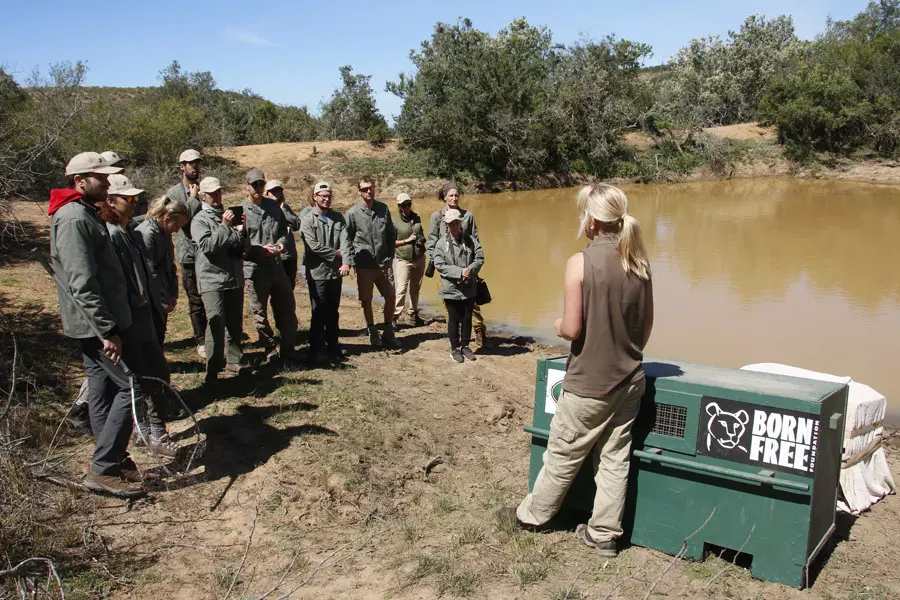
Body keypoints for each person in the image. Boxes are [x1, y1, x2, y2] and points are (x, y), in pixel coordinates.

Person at [509, 183, 654, 557]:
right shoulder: (637, 260)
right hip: (630, 380)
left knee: (562, 452)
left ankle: (532, 516)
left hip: (590, 382)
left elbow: (572, 329)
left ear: (591, 220)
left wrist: (557, 325)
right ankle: (604, 533)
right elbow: (646, 328)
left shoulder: (581, 262)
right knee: (614, 458)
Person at [48, 152, 144, 498]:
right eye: (100, 178)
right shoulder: (74, 219)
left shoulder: (84, 214)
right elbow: (82, 283)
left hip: (99, 323)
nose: (107, 183)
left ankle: (113, 459)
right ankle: (104, 468)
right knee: (131, 387)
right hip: (97, 325)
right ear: (79, 181)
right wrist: (107, 330)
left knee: (101, 391)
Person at [104, 175, 178, 457]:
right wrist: (139, 300)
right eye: (129, 199)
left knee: (154, 374)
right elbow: (114, 282)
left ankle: (146, 431)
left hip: (144, 316)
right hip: (130, 319)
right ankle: (150, 433)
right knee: (148, 377)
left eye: (137, 198)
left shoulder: (130, 231)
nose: (136, 203)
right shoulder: (112, 235)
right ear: (112, 201)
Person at [191, 177, 249, 386]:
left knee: (234, 324)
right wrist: (225, 226)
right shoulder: (199, 220)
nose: (216, 197)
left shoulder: (229, 216)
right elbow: (207, 246)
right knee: (215, 324)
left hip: (233, 277)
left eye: (219, 192)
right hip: (212, 279)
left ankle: (234, 361)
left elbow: (240, 247)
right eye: (212, 193)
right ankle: (212, 371)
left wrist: (242, 232)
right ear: (203, 196)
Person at [242, 168, 301, 361]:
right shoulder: (241, 211)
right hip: (255, 269)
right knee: (259, 312)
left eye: (261, 184)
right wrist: (260, 248)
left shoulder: (274, 207)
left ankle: (289, 348)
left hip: (277, 266)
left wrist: (280, 245)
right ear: (247, 186)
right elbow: (239, 243)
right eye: (254, 184)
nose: (258, 188)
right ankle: (269, 348)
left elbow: (284, 231)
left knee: (287, 307)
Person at [426, 181, 488, 351]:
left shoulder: (467, 216)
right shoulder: (436, 217)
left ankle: (479, 332)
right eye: (451, 195)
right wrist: (440, 265)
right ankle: (455, 341)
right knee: (450, 305)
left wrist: (473, 269)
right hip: (447, 269)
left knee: (473, 304)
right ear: (444, 197)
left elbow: (475, 240)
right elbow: (431, 242)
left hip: (468, 268)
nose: (454, 198)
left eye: (456, 195)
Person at [344, 176, 400, 349]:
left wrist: (391, 255)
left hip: (384, 263)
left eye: (371, 187)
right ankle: (372, 330)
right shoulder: (352, 213)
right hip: (364, 265)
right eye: (365, 189)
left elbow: (391, 233)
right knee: (366, 300)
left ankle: (388, 329)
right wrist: (350, 260)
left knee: (391, 297)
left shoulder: (383, 209)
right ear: (359, 192)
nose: (369, 191)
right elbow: (346, 238)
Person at [300, 181, 351, 362]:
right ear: (315, 197)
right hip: (317, 273)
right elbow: (313, 246)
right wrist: (335, 254)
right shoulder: (307, 219)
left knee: (333, 310)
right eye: (323, 196)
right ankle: (315, 348)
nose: (326, 199)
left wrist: (346, 262)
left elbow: (346, 241)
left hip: (335, 272)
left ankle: (333, 346)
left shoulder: (339, 218)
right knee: (319, 310)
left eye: (329, 196)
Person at [167, 149, 206, 359]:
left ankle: (211, 336)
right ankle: (201, 340)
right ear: (182, 166)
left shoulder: (203, 188)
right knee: (195, 299)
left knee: (209, 296)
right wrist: (193, 199)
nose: (195, 167)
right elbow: (180, 221)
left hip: (207, 252)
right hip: (189, 254)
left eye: (197, 163)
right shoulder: (174, 194)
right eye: (190, 164)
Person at [432, 209, 484, 363]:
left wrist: (471, 270)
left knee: (467, 319)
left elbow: (480, 257)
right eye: (451, 223)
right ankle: (454, 349)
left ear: (461, 223)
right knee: (453, 320)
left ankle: (466, 347)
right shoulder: (441, 244)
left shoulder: (470, 240)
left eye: (457, 222)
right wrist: (460, 272)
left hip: (469, 288)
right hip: (451, 289)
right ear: (446, 225)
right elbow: (439, 265)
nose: (455, 225)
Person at [135, 196, 189, 342]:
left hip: (162, 293)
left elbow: (170, 265)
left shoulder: (165, 233)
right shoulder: (147, 234)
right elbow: (150, 272)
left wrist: (173, 293)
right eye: (176, 226)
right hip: (150, 297)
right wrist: (164, 300)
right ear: (166, 218)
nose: (177, 231)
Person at [391, 193, 427, 330]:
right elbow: (391, 243)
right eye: (403, 205)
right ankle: (394, 317)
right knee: (401, 290)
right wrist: (407, 241)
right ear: (399, 206)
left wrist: (421, 240)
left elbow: (421, 233)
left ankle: (413, 315)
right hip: (403, 260)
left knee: (415, 289)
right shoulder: (394, 223)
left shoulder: (417, 217)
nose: (406, 207)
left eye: (408, 204)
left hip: (419, 257)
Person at [264, 179, 302, 289]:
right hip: (272, 255)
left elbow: (297, 224)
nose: (276, 193)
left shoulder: (285, 207)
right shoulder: (263, 209)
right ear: (267, 193)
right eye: (272, 191)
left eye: (278, 191)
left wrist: (283, 211)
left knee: (289, 288)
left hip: (289, 255)